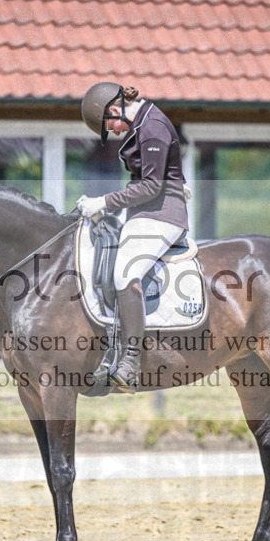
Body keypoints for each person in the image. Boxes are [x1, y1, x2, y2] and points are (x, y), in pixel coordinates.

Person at [77, 82, 189, 392]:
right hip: (144, 213)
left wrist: (104, 202)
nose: (113, 132)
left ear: (114, 110)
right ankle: (109, 351)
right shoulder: (141, 123)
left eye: (109, 126)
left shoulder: (151, 127)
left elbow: (152, 186)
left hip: (163, 213)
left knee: (126, 271)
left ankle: (130, 361)